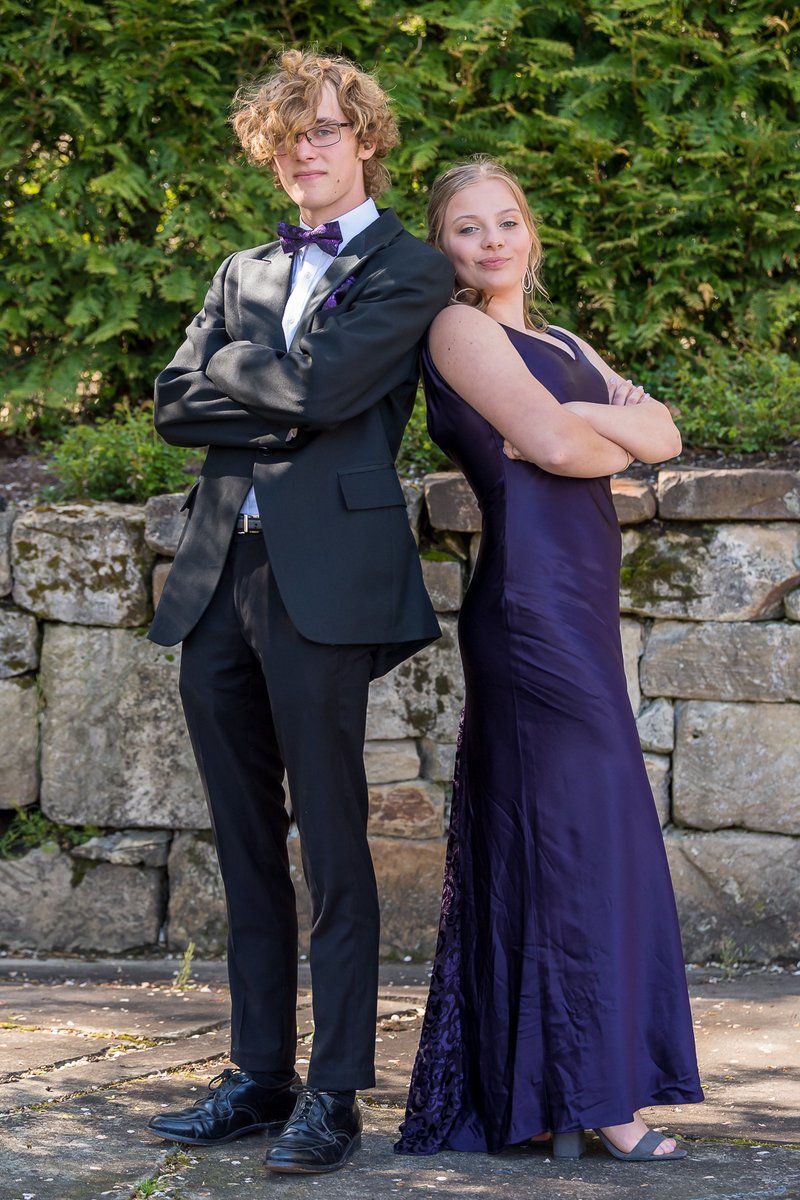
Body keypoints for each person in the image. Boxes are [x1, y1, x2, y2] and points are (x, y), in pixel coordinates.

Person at [145, 49, 453, 1175]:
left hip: (326, 579)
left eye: (322, 129)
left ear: (365, 137)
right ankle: (256, 1075)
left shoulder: (411, 268)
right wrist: (256, 383)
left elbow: (327, 394)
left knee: (331, 842)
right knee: (240, 844)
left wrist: (235, 375)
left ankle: (334, 1094)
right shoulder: (241, 270)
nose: (303, 150)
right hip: (219, 573)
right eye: (284, 138)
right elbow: (173, 411)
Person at [395, 157, 703, 1164]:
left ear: (530, 230)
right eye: (465, 231)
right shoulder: (457, 331)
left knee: (579, 839)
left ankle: (546, 1088)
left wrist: (582, 429)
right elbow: (558, 450)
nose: (490, 243)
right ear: (443, 250)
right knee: (574, 843)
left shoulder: (558, 341)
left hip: (576, 612)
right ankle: (600, 1100)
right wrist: (582, 435)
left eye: (504, 223)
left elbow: (657, 432)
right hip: (527, 614)